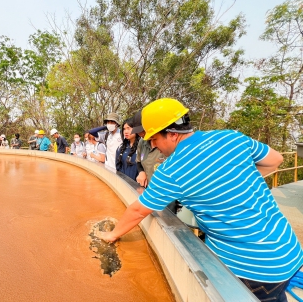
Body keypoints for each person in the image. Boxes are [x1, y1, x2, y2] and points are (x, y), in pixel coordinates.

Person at [100, 98, 303, 302]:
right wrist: (229, 181)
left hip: (249, 269)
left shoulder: (172, 170)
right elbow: (276, 160)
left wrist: (111, 235)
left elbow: (138, 211)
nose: (152, 145)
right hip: (288, 252)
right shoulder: (231, 137)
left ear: (172, 134)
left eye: (153, 139)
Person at [131, 110, 165, 188]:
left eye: (142, 130)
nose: (140, 134)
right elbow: (138, 161)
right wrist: (141, 172)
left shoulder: (166, 144)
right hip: (146, 189)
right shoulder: (142, 142)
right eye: (138, 131)